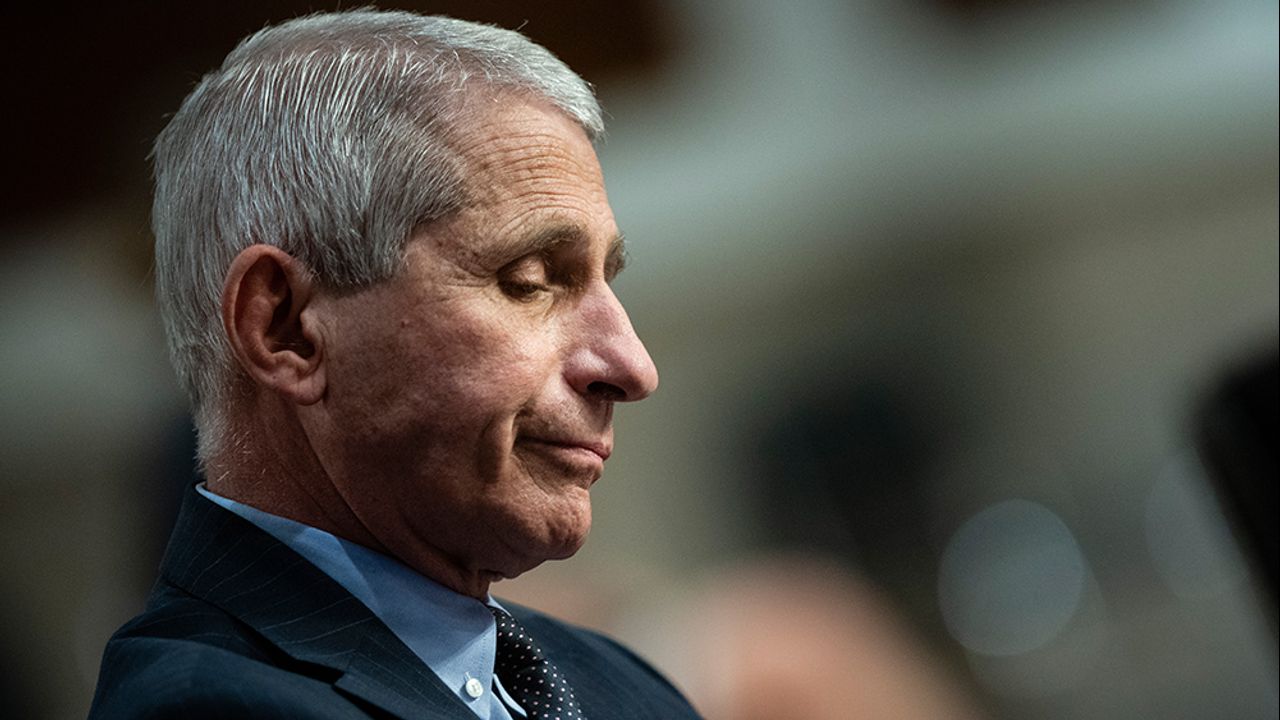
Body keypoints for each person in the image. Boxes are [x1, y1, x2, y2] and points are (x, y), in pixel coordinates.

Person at [88, 10, 700, 720]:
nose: (633, 367)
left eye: (606, 281)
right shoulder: (214, 707)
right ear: (287, 328)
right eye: (531, 280)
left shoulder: (622, 684)